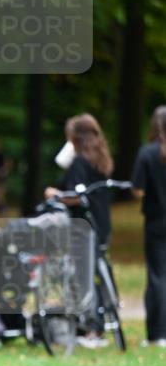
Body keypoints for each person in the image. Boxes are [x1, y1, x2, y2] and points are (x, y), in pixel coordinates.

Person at [45, 113, 114, 348]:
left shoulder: (80, 162)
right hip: (102, 222)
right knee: (97, 273)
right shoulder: (100, 158)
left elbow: (76, 196)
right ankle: (101, 323)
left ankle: (92, 328)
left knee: (83, 276)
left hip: (83, 225)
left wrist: (55, 195)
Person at [132, 105, 166, 347]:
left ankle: (157, 333)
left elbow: (138, 190)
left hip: (156, 222)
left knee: (157, 278)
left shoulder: (147, 154)